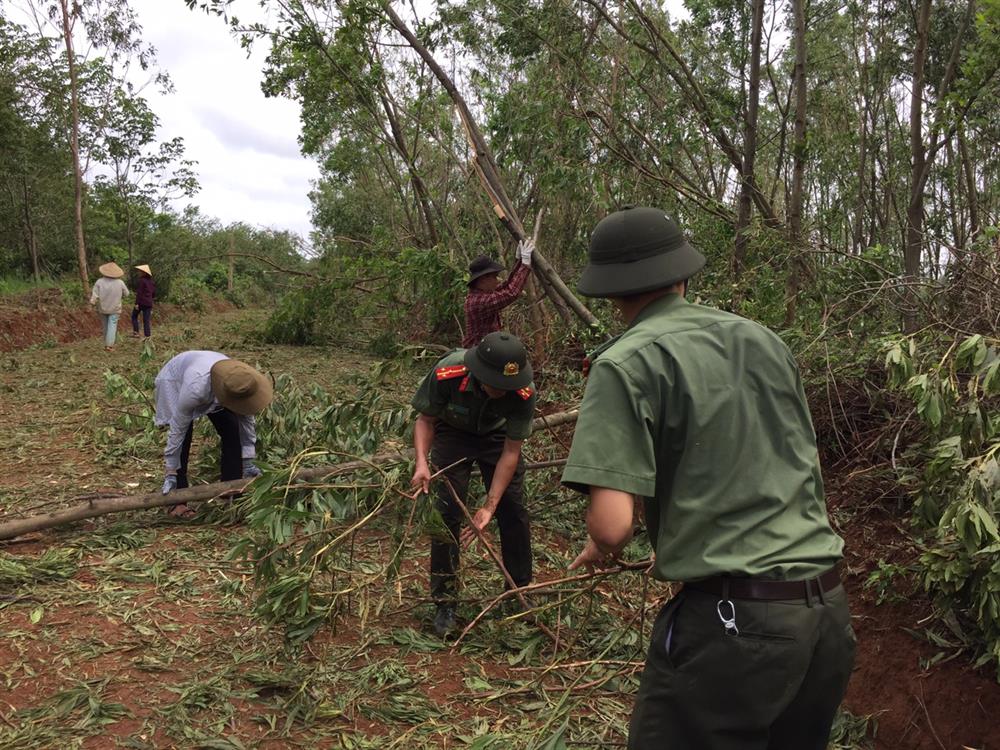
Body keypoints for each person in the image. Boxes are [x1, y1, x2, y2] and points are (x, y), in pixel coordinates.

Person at [560, 206, 854, 750]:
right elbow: (792, 465)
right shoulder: (765, 341)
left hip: (734, 628)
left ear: (610, 292)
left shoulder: (625, 363)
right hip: (826, 615)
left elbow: (612, 526)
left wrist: (600, 547)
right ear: (683, 274)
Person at [410, 331, 537, 636]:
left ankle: (518, 589)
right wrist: (422, 463)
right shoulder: (448, 372)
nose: (502, 390)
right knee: (448, 511)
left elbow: (511, 451)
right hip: (453, 432)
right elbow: (425, 420)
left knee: (513, 508)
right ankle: (445, 600)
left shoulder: (523, 392)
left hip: (496, 436)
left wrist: (489, 507)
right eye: (496, 383)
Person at [155, 351, 273, 518]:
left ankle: (231, 489)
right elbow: (177, 431)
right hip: (175, 380)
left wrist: (248, 460)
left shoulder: (240, 382)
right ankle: (178, 500)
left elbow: (246, 423)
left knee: (232, 429)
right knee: (184, 438)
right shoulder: (195, 390)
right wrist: (171, 470)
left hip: (210, 376)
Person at [462, 239, 535, 348]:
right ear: (483, 280)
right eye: (494, 277)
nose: (497, 280)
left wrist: (519, 261)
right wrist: (525, 264)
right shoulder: (479, 302)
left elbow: (507, 285)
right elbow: (511, 292)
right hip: (478, 354)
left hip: (486, 349)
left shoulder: (482, 294)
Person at [89, 262, 130, 351]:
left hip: (103, 308)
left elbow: (95, 295)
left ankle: (106, 343)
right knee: (112, 325)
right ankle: (109, 345)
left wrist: (92, 303)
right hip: (115, 308)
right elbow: (127, 293)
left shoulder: (99, 281)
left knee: (105, 326)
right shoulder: (120, 282)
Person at [131, 264, 155, 339]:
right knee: (146, 320)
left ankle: (136, 332)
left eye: (140, 271)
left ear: (144, 272)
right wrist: (151, 299)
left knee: (134, 316)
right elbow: (153, 293)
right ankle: (147, 335)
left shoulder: (142, 281)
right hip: (149, 303)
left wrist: (136, 303)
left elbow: (139, 293)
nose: (139, 273)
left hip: (142, 302)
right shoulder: (151, 282)